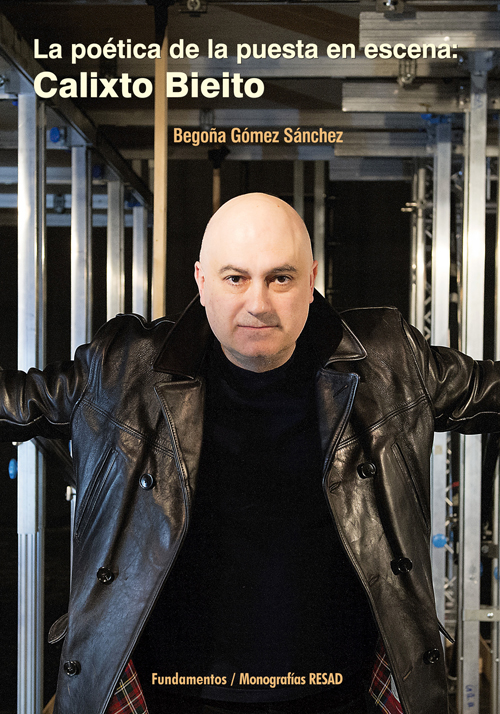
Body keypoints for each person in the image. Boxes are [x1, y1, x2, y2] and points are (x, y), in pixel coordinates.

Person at [1, 193, 499, 714]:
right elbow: (18, 401)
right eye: (235, 278)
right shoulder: (122, 370)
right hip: (166, 695)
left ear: (311, 281)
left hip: (343, 695)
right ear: (201, 282)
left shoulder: (390, 364)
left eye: (280, 278)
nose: (258, 303)